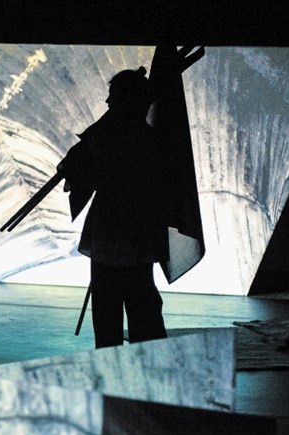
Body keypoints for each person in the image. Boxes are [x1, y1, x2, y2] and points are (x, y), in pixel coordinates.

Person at [58, 66, 172, 348]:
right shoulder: (147, 139)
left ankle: (118, 359)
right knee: (141, 302)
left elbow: (76, 168)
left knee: (112, 305)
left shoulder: (107, 137)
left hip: (112, 231)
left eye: (113, 96)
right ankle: (148, 360)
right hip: (136, 234)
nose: (107, 101)